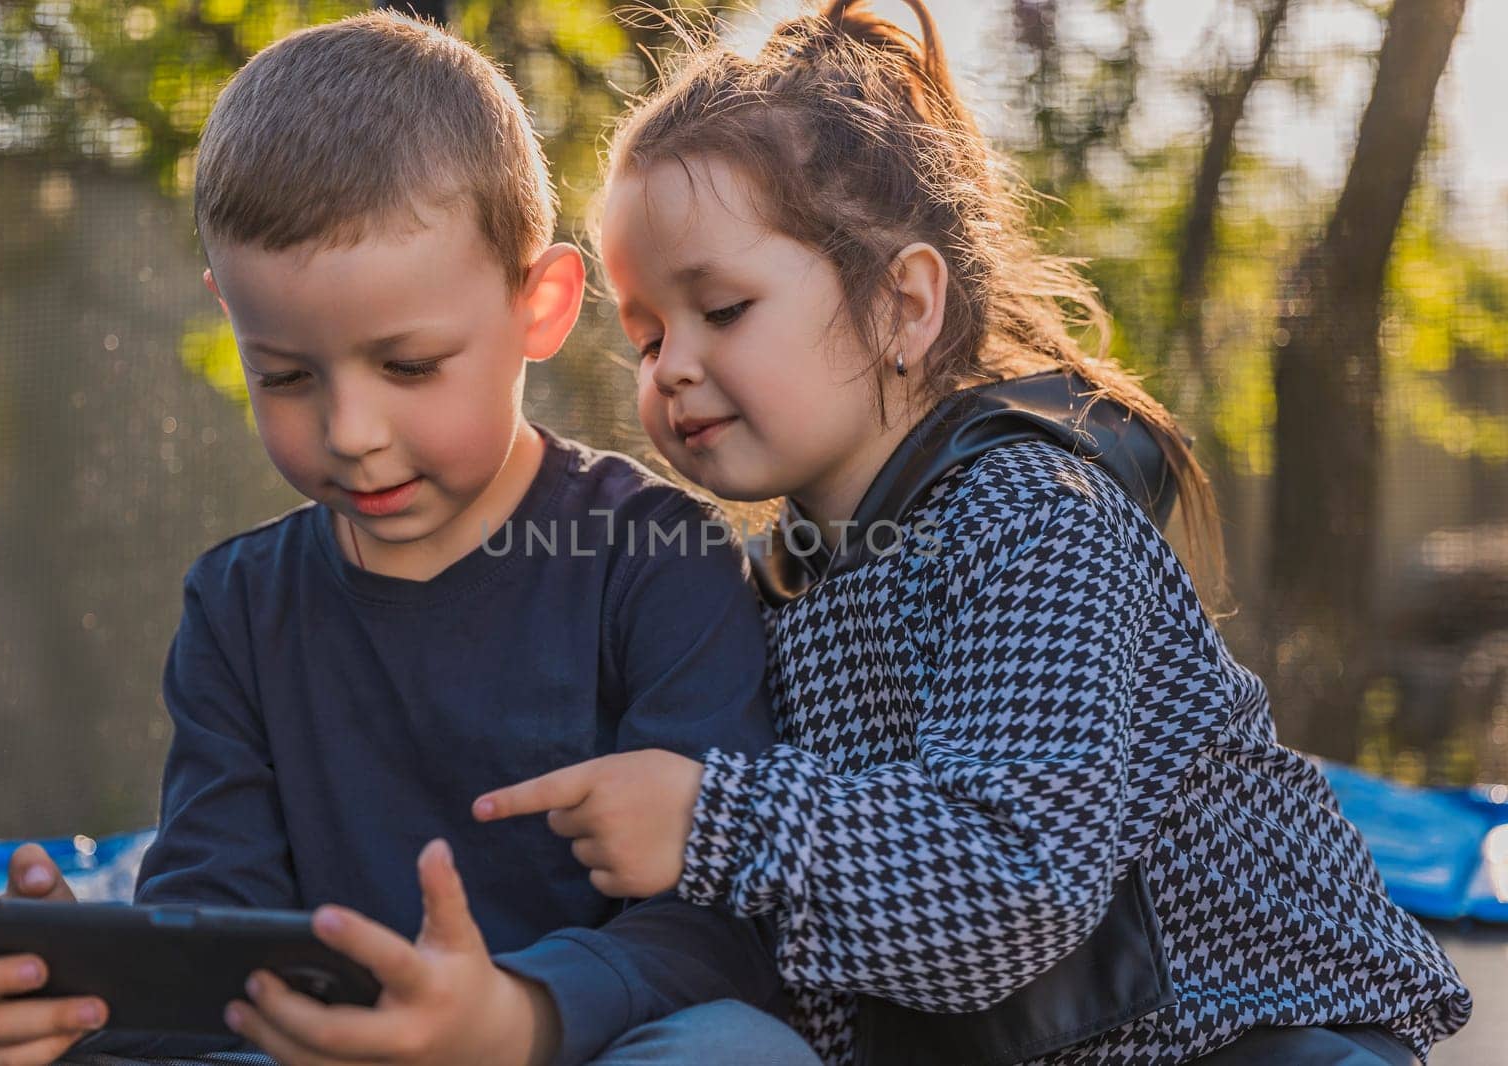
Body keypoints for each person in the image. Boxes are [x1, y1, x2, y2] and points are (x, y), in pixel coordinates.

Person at [473, 2, 1474, 1063]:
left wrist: (712, 824)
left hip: (1255, 1036)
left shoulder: (1032, 519)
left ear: (905, 305)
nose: (669, 365)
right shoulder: (782, 586)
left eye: (720, 310)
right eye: (644, 334)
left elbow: (1012, 878)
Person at [0, 11, 822, 1066]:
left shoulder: (654, 557)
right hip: (310, 1048)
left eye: (408, 366)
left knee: (738, 1051)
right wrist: (71, 995)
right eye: (286, 376)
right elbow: (214, 913)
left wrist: (510, 1016)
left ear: (543, 306)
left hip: (573, 1042)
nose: (350, 434)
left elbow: (713, 930)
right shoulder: (239, 605)